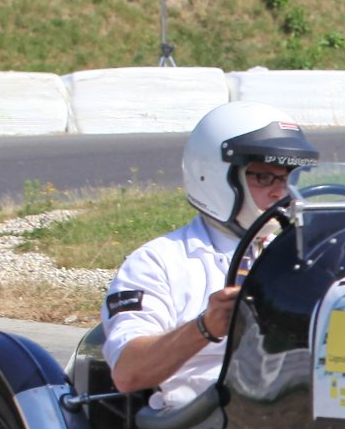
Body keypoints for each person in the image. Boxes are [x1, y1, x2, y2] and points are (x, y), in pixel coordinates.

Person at [101, 100, 318, 409]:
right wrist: (205, 327)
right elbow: (128, 372)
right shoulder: (159, 261)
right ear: (215, 177)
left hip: (294, 414)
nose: (280, 193)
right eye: (263, 177)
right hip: (200, 422)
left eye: (287, 178)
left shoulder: (305, 254)